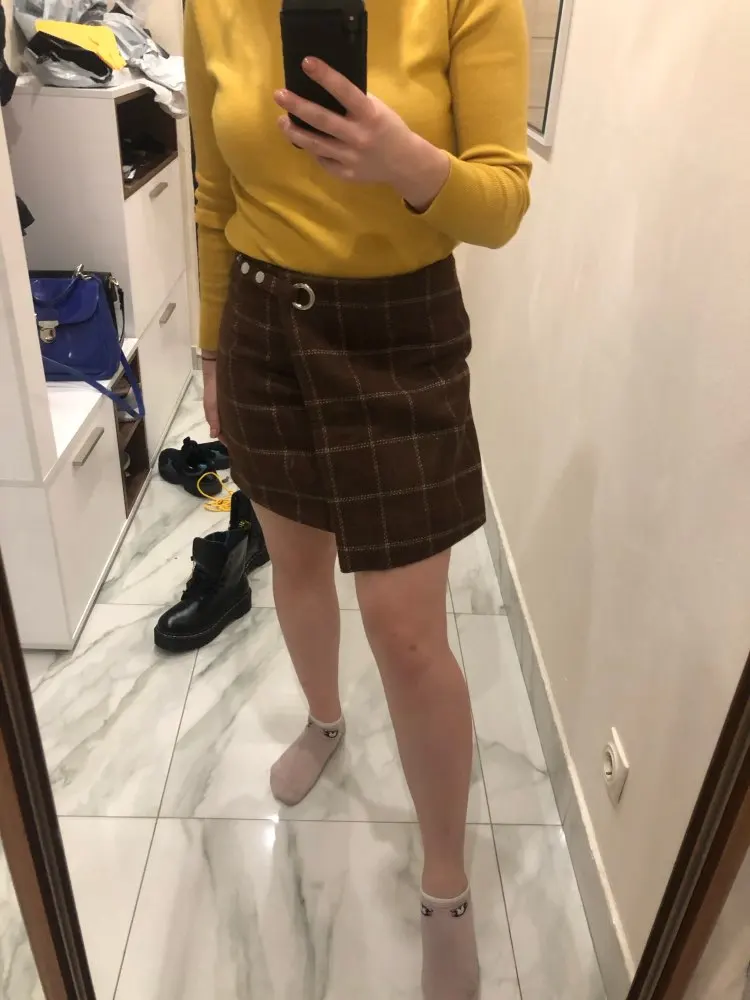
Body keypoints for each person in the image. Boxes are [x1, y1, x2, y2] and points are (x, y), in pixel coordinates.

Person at [184, 0, 531, 992]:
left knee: (406, 631)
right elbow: (213, 191)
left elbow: (502, 202)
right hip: (263, 326)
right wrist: (212, 346)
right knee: (296, 567)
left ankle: (446, 883)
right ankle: (326, 720)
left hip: (400, 335)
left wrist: (404, 161)